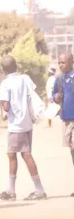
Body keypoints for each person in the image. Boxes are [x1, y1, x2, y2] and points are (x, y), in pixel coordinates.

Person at [0, 55, 47, 201]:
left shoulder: (5, 84)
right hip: (27, 123)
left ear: (3, 69)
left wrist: (0, 99)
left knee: (20, 155)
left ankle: (36, 190)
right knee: (19, 154)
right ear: (16, 66)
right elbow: (31, 94)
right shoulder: (25, 79)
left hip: (16, 125)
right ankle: (13, 190)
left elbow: (6, 107)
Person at [52, 52, 74, 197]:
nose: (60, 65)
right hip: (66, 119)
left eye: (63, 62)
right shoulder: (59, 79)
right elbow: (54, 94)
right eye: (59, 62)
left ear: (71, 62)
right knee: (72, 151)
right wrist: (56, 97)